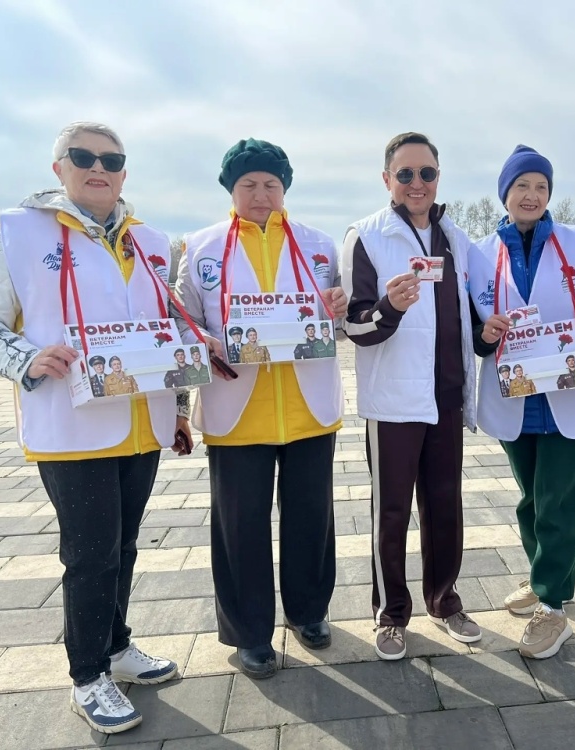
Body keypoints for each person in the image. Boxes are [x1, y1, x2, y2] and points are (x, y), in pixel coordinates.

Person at [0, 121, 191, 735]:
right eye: (82, 156)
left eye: (111, 159)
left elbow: (167, 330)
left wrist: (181, 406)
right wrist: (25, 358)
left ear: (124, 172)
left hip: (140, 422)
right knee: (90, 554)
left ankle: (116, 646)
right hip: (71, 424)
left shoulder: (150, 240)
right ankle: (87, 676)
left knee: (123, 546)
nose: (98, 168)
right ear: (58, 166)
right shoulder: (21, 230)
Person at [174, 138, 347, 680]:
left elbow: (343, 322)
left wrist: (340, 310)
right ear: (231, 189)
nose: (261, 194)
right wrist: (203, 339)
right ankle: (249, 633)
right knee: (240, 527)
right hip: (236, 410)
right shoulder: (202, 248)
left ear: (284, 188)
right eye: (248, 184)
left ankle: (308, 611)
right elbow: (181, 319)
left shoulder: (319, 246)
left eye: (271, 184)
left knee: (311, 518)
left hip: (308, 408)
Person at [342, 131, 492, 660]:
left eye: (426, 173)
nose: (416, 183)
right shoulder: (366, 236)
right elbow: (353, 325)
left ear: (438, 178)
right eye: (404, 174)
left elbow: (471, 315)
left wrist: (488, 331)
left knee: (445, 508)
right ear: (387, 180)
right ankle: (390, 613)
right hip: (394, 404)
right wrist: (389, 308)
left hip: (446, 396)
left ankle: (444, 600)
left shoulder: (456, 238)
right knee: (391, 513)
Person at [469, 145, 575, 660]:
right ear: (505, 194)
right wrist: (484, 334)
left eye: (541, 187)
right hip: (516, 398)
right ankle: (542, 577)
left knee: (559, 502)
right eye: (522, 186)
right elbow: (474, 334)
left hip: (570, 394)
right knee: (531, 499)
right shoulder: (481, 255)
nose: (531, 195)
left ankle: (553, 605)